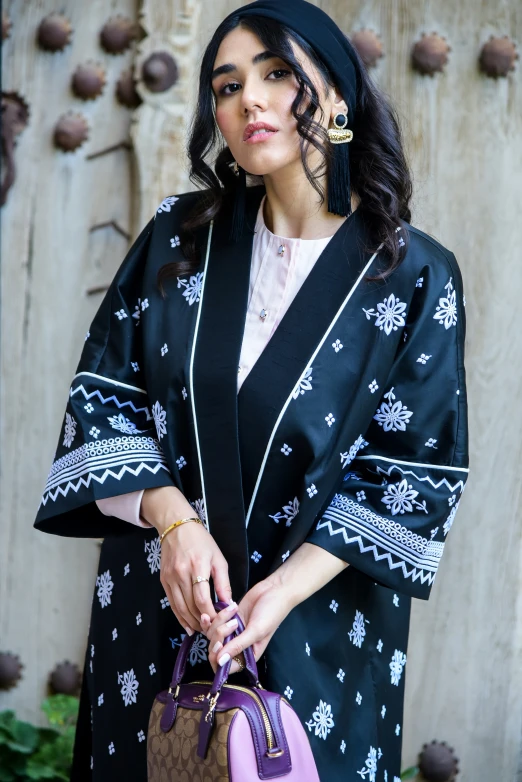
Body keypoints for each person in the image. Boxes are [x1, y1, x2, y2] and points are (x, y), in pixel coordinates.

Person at [33, 1, 470, 779]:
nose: (249, 102)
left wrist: (281, 593)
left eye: (276, 75)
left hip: (315, 630)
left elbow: (413, 471)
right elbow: (103, 400)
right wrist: (174, 526)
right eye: (227, 86)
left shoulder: (415, 278)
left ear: (336, 96)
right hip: (157, 618)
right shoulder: (177, 237)